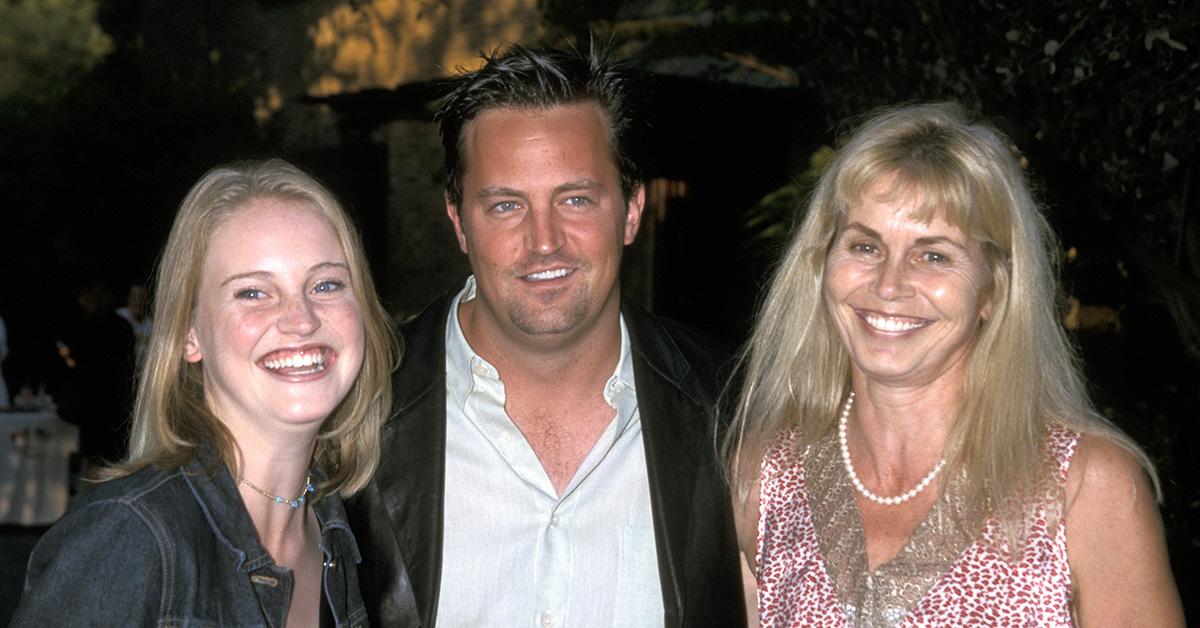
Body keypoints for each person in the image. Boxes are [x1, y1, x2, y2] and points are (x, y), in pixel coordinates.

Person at [724, 103, 1184, 626]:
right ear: (821, 263)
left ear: (993, 288)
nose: (889, 285)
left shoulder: (1084, 486)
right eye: (865, 245)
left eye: (934, 255)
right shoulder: (764, 475)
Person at [348, 43, 745, 627]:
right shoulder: (353, 413)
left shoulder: (736, 410)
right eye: (506, 206)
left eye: (576, 199)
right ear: (459, 222)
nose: (544, 241)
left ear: (632, 209)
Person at [12, 158, 405, 626]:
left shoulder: (337, 535)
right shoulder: (129, 537)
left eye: (326, 284)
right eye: (253, 293)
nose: (301, 319)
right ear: (188, 333)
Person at [116, 283, 154, 371]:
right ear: (128, 298)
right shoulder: (120, 317)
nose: (137, 300)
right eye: (134, 296)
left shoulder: (150, 324)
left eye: (141, 297)